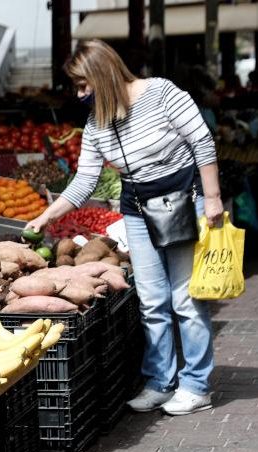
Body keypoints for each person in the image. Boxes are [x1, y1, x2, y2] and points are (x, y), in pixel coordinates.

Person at [27, 39, 224, 416]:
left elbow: (202, 142)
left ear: (103, 75)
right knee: (151, 301)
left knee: (186, 298)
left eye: (84, 86)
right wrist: (47, 215)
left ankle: (196, 385)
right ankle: (160, 382)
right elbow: (85, 182)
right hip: (136, 209)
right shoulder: (97, 123)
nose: (79, 94)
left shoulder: (163, 93)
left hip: (182, 200)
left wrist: (212, 198)